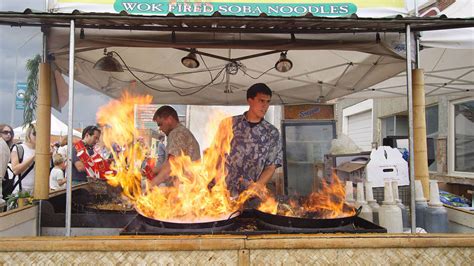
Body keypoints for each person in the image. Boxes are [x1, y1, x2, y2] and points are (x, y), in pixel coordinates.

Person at [223, 83, 283, 197]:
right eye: (261, 101)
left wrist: (258, 186)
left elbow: (271, 166)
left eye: (268, 102)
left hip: (251, 195)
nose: (265, 106)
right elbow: (216, 156)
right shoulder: (229, 124)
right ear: (250, 100)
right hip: (223, 193)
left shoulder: (272, 133)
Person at [150, 106, 200, 186]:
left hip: (184, 189)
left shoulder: (177, 133)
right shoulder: (183, 132)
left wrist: (150, 185)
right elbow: (172, 162)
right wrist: (156, 170)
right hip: (188, 188)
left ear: (169, 119)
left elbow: (171, 166)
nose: (160, 129)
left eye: (160, 124)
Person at [10, 124, 36, 195]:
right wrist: (33, 156)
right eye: (35, 133)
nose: (38, 136)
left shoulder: (42, 151)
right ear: (28, 134)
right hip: (20, 190)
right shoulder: (19, 148)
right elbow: (15, 170)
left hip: (36, 191)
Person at [0, 124, 14, 198]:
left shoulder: (5, 145)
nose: (8, 134)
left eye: (10, 132)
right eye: (5, 132)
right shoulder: (2, 144)